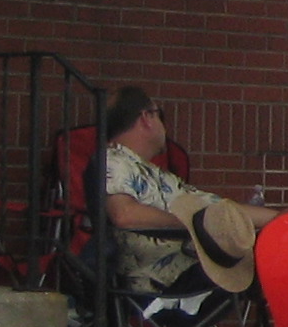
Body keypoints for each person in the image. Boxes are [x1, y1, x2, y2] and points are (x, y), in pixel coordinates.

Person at [101, 87, 274, 300]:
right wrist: (192, 223)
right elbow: (124, 215)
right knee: (275, 263)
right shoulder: (114, 162)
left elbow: (216, 210)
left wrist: (282, 219)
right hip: (161, 285)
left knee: (276, 256)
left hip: (191, 270)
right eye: (161, 116)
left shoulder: (160, 176)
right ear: (147, 118)